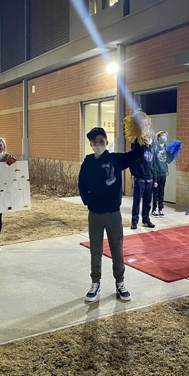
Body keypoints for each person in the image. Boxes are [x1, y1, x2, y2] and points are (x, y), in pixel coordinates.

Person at [78, 127, 143, 302]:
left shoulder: (115, 160)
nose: (97, 145)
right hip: (95, 214)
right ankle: (95, 282)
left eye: (101, 141)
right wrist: (89, 202)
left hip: (113, 213)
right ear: (90, 144)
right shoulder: (87, 163)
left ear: (106, 142)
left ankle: (120, 283)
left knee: (117, 249)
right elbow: (82, 185)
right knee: (96, 250)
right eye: (94, 142)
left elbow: (135, 154)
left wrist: (139, 136)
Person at [130, 140, 157, 229]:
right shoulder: (139, 149)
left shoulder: (152, 150)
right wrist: (136, 174)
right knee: (137, 201)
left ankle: (146, 219)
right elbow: (132, 163)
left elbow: (154, 166)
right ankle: (134, 221)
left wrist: (155, 179)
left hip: (149, 180)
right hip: (140, 180)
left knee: (148, 202)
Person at [151, 131, 174, 218]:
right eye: (163, 136)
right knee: (155, 192)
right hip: (156, 173)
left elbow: (168, 160)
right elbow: (153, 161)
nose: (164, 138)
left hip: (163, 173)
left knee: (161, 192)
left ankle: (160, 208)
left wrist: (173, 154)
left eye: (165, 136)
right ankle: (154, 209)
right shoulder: (155, 147)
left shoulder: (166, 148)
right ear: (159, 137)